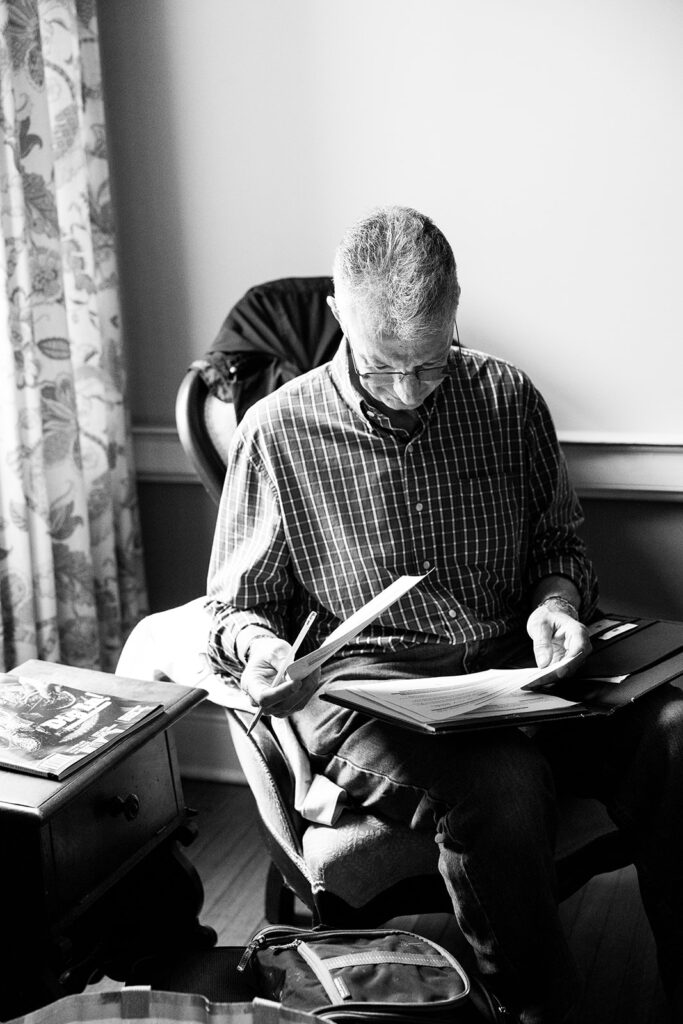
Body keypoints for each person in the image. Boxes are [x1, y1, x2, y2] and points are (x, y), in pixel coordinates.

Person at [206, 206, 683, 1023]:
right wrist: (259, 653)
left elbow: (557, 545)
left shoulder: (504, 397)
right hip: (367, 695)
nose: (405, 392)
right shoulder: (277, 431)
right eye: (381, 365)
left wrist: (557, 604)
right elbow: (234, 610)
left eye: (427, 366)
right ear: (337, 317)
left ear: (455, 308)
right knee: (499, 787)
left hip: (516, 670)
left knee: (675, 730)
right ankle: (534, 1013)